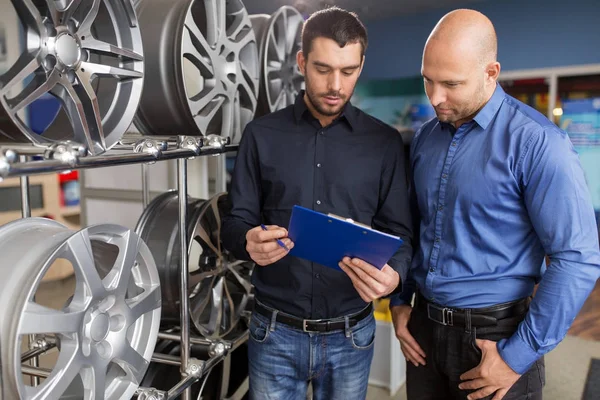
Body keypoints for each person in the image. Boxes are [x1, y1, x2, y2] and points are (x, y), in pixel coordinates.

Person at [390, 8, 600, 400]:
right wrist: (400, 301)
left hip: (495, 340)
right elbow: (412, 227)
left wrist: (515, 357)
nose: (435, 97)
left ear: (491, 73)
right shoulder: (424, 139)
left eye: (451, 83)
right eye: (427, 81)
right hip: (423, 330)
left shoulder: (538, 144)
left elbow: (576, 259)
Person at [221, 6, 413, 400]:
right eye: (323, 69)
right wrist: (246, 242)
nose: (335, 85)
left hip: (351, 333)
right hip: (273, 330)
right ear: (301, 62)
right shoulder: (260, 135)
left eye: (348, 71)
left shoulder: (385, 143)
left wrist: (394, 275)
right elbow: (235, 221)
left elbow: (401, 234)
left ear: (361, 65)